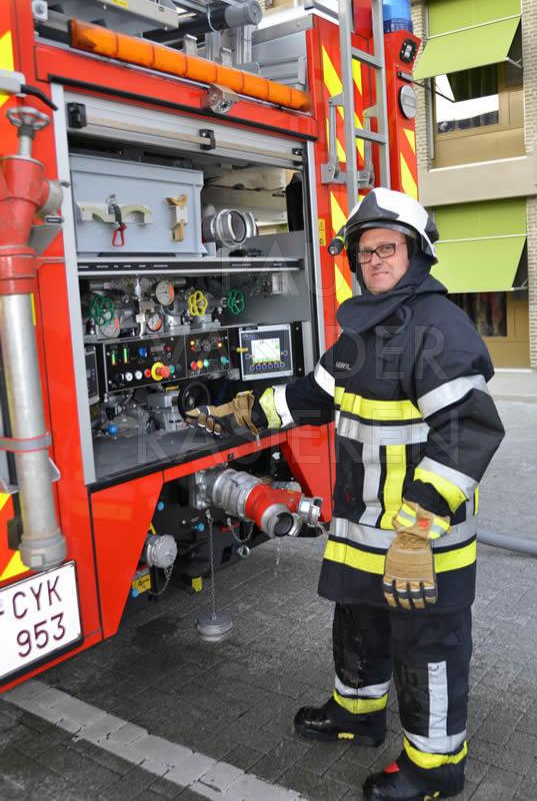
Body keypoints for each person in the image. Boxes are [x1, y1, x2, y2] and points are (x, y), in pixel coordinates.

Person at [187, 189, 505, 801]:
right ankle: (357, 715)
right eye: (365, 251)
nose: (375, 260)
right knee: (359, 624)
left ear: (416, 254)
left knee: (427, 651)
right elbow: (311, 395)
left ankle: (435, 768)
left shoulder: (439, 330)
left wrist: (417, 530)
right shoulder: (363, 330)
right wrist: (242, 414)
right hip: (365, 533)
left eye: (388, 248)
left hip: (419, 542)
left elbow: (469, 432)